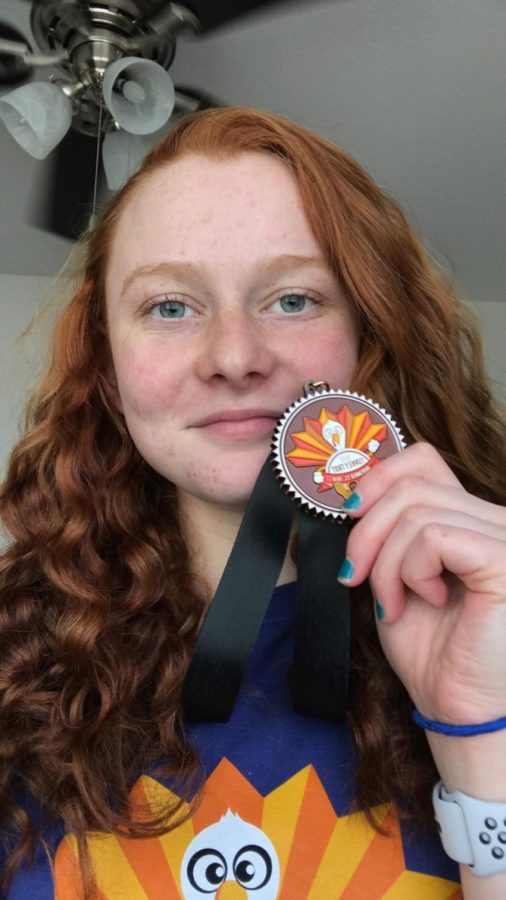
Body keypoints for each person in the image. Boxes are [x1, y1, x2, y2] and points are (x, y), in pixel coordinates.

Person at [0, 106, 505, 900]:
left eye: (294, 299)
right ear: (107, 363)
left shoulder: (496, 618)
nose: (235, 356)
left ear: (373, 332)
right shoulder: (9, 666)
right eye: (171, 306)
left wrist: (484, 728)